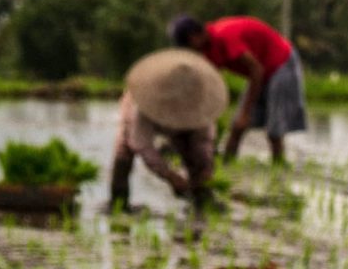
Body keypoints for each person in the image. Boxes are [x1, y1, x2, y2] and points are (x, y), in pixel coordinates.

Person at [171, 13, 308, 164]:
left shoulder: (224, 36)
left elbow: (257, 70)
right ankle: (227, 164)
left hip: (281, 64)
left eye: (188, 44)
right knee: (236, 127)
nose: (191, 49)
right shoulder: (208, 50)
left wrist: (245, 113)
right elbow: (210, 85)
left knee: (274, 129)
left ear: (194, 36)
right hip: (260, 71)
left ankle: (279, 166)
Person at [110, 47, 227, 213]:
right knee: (123, 153)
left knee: (197, 158)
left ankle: (201, 199)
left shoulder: (201, 102)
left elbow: (203, 140)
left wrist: (206, 167)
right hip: (142, 122)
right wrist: (169, 175)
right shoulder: (141, 102)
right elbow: (141, 144)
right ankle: (118, 204)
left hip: (185, 128)